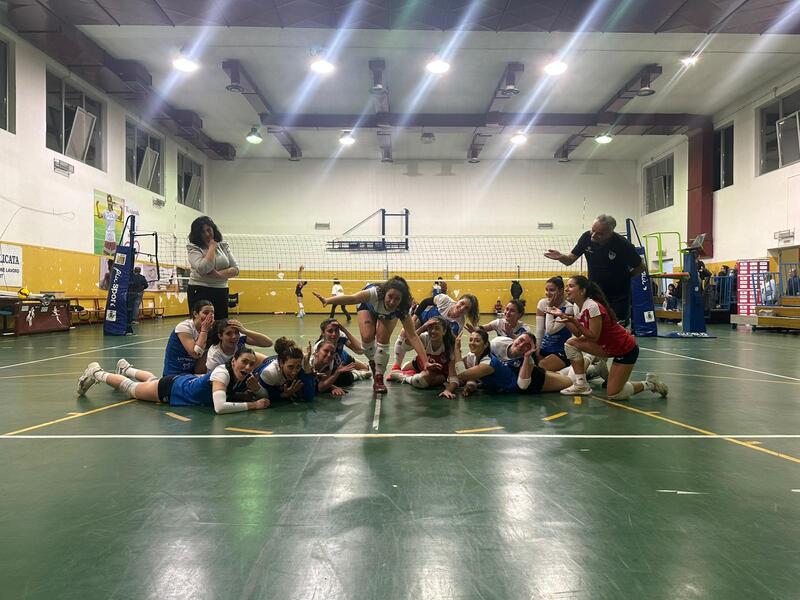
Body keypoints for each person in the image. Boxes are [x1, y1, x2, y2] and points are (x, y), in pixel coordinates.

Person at [551, 275, 668, 399]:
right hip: (606, 347)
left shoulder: (592, 306)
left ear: (582, 291)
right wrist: (563, 316)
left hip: (625, 349)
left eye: (571, 286)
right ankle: (581, 384)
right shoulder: (577, 306)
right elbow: (578, 333)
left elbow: (594, 336)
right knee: (571, 343)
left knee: (615, 394)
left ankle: (650, 384)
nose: (567, 289)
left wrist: (574, 321)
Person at [313, 276, 430, 393]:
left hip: (389, 315)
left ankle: (379, 377)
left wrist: (426, 363)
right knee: (367, 337)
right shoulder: (375, 293)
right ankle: (373, 363)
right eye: (390, 296)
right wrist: (328, 300)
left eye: (397, 299)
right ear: (384, 293)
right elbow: (352, 298)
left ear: (402, 300)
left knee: (383, 339)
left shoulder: (402, 308)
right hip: (367, 306)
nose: (392, 302)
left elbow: (412, 336)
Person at [77, 347, 269, 414]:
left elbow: (264, 396)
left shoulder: (243, 375)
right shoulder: (223, 374)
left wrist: (257, 389)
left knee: (151, 380)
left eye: (251, 364)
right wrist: (254, 405)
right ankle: (96, 372)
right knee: (132, 389)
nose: (248, 367)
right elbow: (220, 407)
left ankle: (126, 369)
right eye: (244, 362)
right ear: (234, 361)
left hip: (183, 382)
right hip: (172, 389)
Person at [544, 214, 644, 324]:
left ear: (610, 233)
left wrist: (625, 277)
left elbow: (641, 267)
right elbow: (569, 260)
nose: (594, 235)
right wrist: (561, 257)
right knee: (594, 325)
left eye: (599, 233)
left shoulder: (623, 245)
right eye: (593, 230)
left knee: (616, 326)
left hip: (617, 296)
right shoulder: (586, 238)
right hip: (595, 293)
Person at [442, 329, 572, 397]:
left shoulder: (488, 363)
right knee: (562, 375)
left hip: (533, 381)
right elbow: (470, 375)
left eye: (477, 341)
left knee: (570, 382)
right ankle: (572, 370)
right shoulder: (477, 356)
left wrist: (456, 349)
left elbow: (462, 374)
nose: (472, 343)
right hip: (516, 374)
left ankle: (581, 366)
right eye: (471, 340)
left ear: (485, 344)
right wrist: (471, 384)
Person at [392, 292, 479, 371]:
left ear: (468, 312)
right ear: (458, 300)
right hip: (424, 320)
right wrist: (414, 318)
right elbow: (425, 302)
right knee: (405, 331)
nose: (462, 308)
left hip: (435, 332)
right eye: (462, 303)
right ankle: (397, 366)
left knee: (437, 346)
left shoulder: (459, 324)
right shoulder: (445, 300)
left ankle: (419, 362)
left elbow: (451, 342)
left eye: (466, 308)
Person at [186, 216, 239, 319]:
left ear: (213, 229)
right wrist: (212, 248)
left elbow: (236, 270)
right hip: (199, 289)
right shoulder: (193, 248)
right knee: (201, 324)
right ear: (197, 234)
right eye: (202, 232)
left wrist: (217, 274)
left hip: (221, 290)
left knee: (221, 323)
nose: (207, 234)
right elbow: (203, 268)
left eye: (209, 230)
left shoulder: (223, 246)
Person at [387, 316, 455, 389]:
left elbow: (453, 376)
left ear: (444, 331)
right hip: (418, 365)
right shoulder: (425, 337)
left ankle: (404, 377)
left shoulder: (449, 344)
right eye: (430, 328)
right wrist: (423, 327)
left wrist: (449, 389)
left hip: (438, 373)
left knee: (421, 381)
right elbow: (405, 346)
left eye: (437, 328)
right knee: (404, 369)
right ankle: (412, 374)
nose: (433, 331)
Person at [250, 337, 317, 403]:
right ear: (281, 363)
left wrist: (307, 367)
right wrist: (284, 395)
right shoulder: (270, 373)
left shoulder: (301, 363)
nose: (294, 372)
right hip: (262, 366)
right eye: (290, 367)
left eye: (298, 367)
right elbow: (264, 397)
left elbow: (309, 397)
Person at [163, 299, 214, 376]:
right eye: (205, 313)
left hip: (192, 374)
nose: (209, 316)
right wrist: (204, 331)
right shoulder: (184, 327)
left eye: (212, 313)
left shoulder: (210, 329)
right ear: (195, 314)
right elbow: (195, 353)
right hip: (174, 374)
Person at [534, 276, 575, 372]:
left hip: (561, 350)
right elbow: (540, 330)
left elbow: (550, 330)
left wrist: (549, 307)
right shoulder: (542, 303)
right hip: (544, 348)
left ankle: (591, 370)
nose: (548, 293)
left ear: (560, 291)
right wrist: (537, 349)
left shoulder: (569, 308)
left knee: (542, 368)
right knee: (528, 365)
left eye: (552, 290)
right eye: (546, 290)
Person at [314, 319, 371, 386]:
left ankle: (354, 368)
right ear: (323, 333)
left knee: (366, 368)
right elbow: (320, 376)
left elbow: (360, 350)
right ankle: (357, 374)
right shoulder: (319, 347)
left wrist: (344, 330)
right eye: (330, 331)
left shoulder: (341, 336)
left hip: (344, 357)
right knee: (342, 378)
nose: (334, 334)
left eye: (336, 330)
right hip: (333, 365)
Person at [205, 318, 273, 372]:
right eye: (228, 333)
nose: (234, 336)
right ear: (220, 336)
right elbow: (212, 379)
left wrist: (245, 331)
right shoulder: (215, 355)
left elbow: (268, 343)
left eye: (236, 332)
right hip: (225, 376)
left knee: (270, 363)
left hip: (241, 369)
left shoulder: (240, 338)